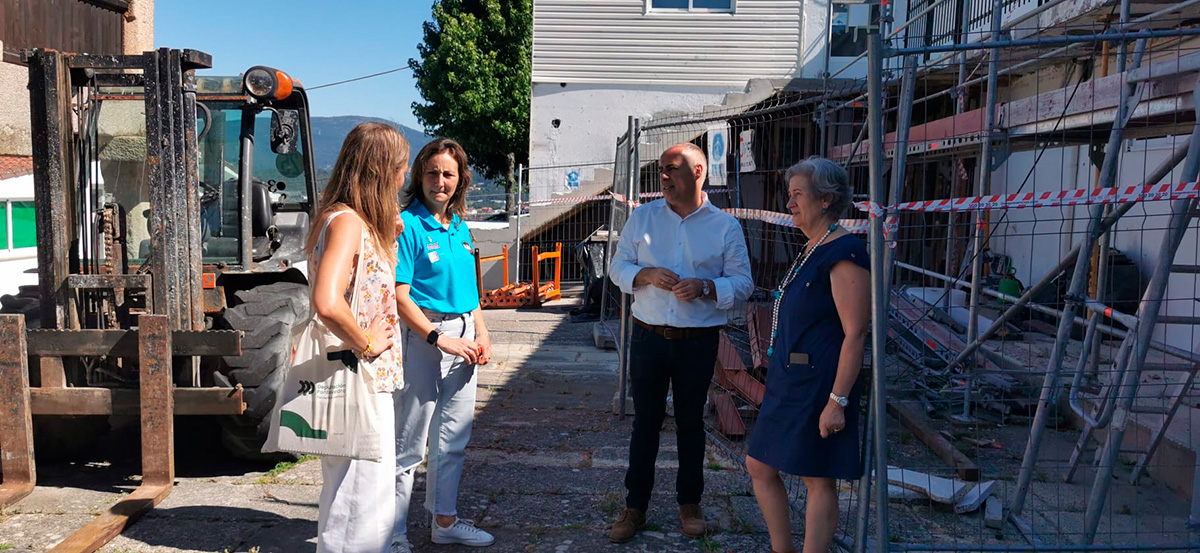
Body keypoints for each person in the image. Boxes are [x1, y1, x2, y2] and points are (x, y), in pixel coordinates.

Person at [607, 142, 754, 544]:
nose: (665, 177)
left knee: (691, 424)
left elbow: (744, 283)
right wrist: (646, 274)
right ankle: (635, 506)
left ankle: (690, 503)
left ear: (699, 171)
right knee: (646, 424)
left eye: (673, 168)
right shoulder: (643, 218)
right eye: (662, 171)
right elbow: (616, 266)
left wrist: (708, 287)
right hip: (649, 337)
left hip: (697, 342)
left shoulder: (724, 226)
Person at [746, 157, 870, 553]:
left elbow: (855, 333)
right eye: (790, 195)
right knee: (760, 464)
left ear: (826, 200)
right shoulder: (811, 247)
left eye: (798, 194)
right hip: (791, 379)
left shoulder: (844, 251)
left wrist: (837, 402)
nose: (790, 203)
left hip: (820, 384)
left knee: (818, 477)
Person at [307, 122, 409, 553]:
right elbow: (327, 302)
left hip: (360, 376)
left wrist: (387, 236)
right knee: (362, 498)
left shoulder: (340, 217)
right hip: (361, 377)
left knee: (354, 492)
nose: (404, 177)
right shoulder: (348, 222)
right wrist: (367, 344)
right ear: (383, 170)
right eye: (401, 168)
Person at [391, 138, 495, 551]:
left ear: (460, 180)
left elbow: (471, 293)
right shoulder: (408, 224)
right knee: (409, 443)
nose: (440, 181)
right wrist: (438, 338)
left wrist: (481, 333)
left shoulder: (461, 226)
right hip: (426, 338)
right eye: (432, 172)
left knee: (453, 438)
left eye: (448, 174)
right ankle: (394, 533)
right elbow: (400, 296)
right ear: (420, 175)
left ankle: (445, 521)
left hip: (465, 336)